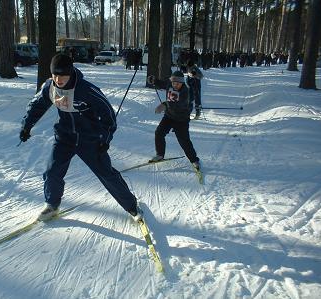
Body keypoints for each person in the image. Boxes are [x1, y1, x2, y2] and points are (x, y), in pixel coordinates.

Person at [19, 53, 142, 222]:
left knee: (106, 174)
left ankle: (132, 207)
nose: (58, 79)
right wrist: (26, 126)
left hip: (89, 139)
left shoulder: (87, 90)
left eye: (63, 75)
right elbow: (37, 106)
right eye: (55, 74)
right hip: (64, 137)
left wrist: (105, 139)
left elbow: (108, 115)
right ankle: (51, 206)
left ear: (70, 73)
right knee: (52, 172)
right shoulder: (50, 87)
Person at [147, 71, 201, 170]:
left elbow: (180, 104)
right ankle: (160, 155)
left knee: (184, 141)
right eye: (173, 83)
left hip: (181, 119)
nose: (175, 85)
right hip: (169, 116)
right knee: (159, 133)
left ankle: (194, 160)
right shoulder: (170, 84)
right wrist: (154, 80)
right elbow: (162, 84)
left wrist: (164, 104)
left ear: (182, 82)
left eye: (177, 83)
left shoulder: (186, 91)